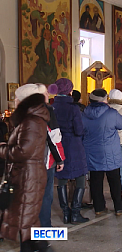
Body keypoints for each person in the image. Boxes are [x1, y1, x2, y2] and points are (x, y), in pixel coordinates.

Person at [0, 84, 53, 251]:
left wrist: (2, 149)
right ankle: (42, 246)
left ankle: (42, 247)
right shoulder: (31, 118)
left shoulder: (32, 121)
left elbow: (23, 151)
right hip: (27, 174)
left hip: (29, 176)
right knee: (28, 219)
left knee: (26, 220)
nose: (14, 101)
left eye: (16, 99)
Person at [82, 89, 122, 216]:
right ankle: (119, 207)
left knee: (96, 180)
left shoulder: (84, 113)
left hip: (91, 152)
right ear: (104, 100)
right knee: (114, 180)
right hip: (110, 152)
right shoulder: (111, 113)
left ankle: (99, 208)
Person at [50, 78, 90, 224]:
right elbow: (79, 130)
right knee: (80, 177)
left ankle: (65, 213)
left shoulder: (51, 107)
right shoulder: (73, 108)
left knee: (61, 178)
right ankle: (75, 213)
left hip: (57, 144)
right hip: (73, 145)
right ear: (69, 91)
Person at [39, 84, 65, 228]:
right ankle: (44, 230)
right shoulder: (47, 110)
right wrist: (60, 158)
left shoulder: (23, 111)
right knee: (45, 197)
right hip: (45, 160)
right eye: (45, 93)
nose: (48, 94)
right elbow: (54, 137)